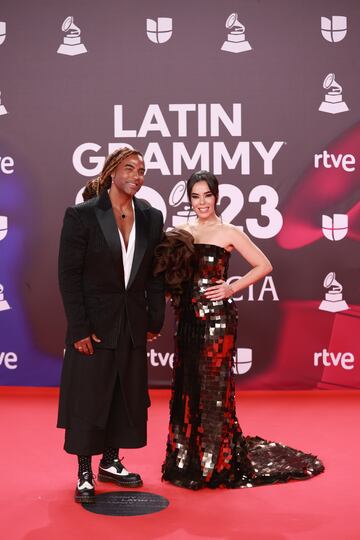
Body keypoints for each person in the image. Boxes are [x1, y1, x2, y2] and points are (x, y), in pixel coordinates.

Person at [154, 170, 324, 490]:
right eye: (195, 196)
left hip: (218, 320)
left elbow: (264, 265)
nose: (202, 202)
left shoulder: (229, 231)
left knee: (214, 391)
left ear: (216, 196)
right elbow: (169, 275)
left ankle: (214, 462)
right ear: (188, 199)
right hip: (187, 320)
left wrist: (232, 288)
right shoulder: (180, 231)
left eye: (207, 195)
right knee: (187, 388)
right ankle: (186, 459)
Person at [57, 147, 165, 503]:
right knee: (89, 397)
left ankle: (111, 461)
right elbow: (69, 277)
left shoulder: (151, 216)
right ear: (112, 171)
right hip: (94, 325)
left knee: (125, 395)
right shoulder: (83, 215)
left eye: (143, 170)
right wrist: (78, 329)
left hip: (132, 323)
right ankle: (85, 471)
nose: (138, 175)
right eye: (130, 168)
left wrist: (153, 317)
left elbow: (153, 274)